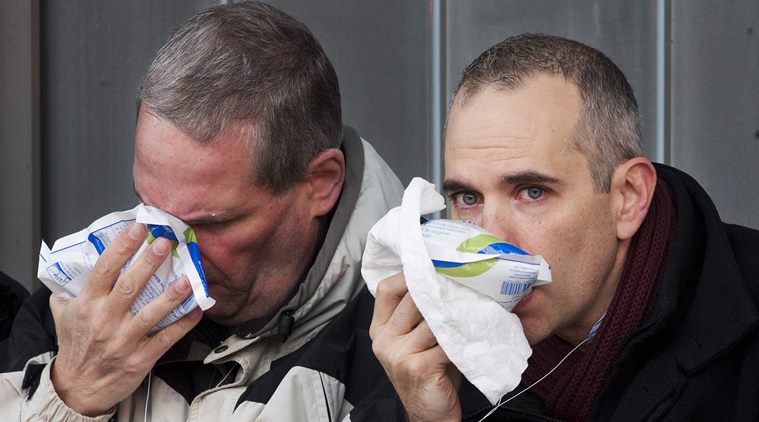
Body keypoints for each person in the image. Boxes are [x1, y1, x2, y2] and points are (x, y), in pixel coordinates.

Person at [0, 2, 405, 420]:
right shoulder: (77, 315)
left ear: (320, 183)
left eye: (207, 223)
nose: (164, 250)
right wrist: (72, 392)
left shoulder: (414, 345)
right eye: (150, 207)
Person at [369, 33, 759, 421]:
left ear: (628, 198)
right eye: (469, 198)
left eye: (532, 192)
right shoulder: (423, 352)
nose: (489, 239)